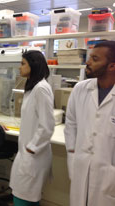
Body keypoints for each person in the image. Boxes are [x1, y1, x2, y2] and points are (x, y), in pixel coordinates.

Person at [64, 41, 115, 206]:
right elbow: (71, 123)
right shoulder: (80, 89)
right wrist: (72, 153)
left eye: (95, 58)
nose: (88, 62)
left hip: (108, 174)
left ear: (111, 66)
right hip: (81, 166)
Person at [9, 50, 55, 206]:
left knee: (24, 196)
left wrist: (31, 148)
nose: (19, 67)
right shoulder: (33, 87)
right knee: (24, 194)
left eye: (22, 64)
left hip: (33, 154)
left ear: (33, 66)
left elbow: (47, 125)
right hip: (27, 152)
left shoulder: (41, 89)